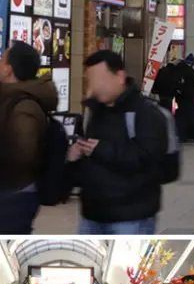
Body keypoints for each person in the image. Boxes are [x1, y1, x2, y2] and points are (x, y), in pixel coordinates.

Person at [67, 51, 169, 235]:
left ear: (120, 77)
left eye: (101, 80)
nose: (95, 87)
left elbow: (148, 159)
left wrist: (101, 150)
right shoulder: (92, 112)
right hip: (91, 215)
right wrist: (74, 157)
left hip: (131, 216)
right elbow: (87, 165)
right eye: (91, 81)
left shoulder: (145, 113)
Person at [0, 42, 59, 234]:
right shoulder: (10, 98)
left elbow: (23, 155)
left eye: (2, 59)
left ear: (9, 70)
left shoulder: (24, 106)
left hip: (14, 194)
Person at [175, 54, 194, 142]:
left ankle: (182, 136)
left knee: (182, 117)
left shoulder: (178, 70)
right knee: (191, 117)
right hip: (189, 98)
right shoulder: (189, 70)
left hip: (180, 98)